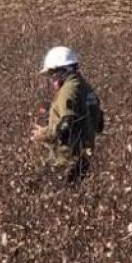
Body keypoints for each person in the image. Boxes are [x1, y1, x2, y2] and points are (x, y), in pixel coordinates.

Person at [30, 46, 105, 184]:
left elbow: (67, 126)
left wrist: (45, 134)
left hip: (67, 160)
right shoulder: (86, 88)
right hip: (84, 158)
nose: (51, 80)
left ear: (62, 71)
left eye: (52, 74)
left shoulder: (68, 90)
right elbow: (99, 125)